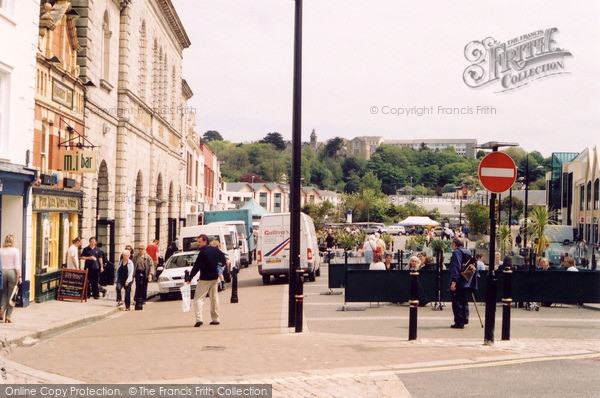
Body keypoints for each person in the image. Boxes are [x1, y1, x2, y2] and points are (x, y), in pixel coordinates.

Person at [186, 234, 225, 327]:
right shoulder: (215, 249)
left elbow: (196, 266)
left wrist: (190, 277)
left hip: (204, 279)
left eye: (199, 242)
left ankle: (199, 319)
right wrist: (217, 265)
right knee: (214, 299)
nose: (198, 243)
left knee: (198, 299)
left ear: (205, 241)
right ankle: (215, 319)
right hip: (214, 278)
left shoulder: (202, 252)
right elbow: (223, 260)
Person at [448, 237, 477, 329]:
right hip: (467, 280)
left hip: (459, 281)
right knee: (464, 300)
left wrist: (454, 281)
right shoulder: (468, 252)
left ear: (455, 244)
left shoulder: (457, 252)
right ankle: (465, 318)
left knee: (457, 302)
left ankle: (459, 322)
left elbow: (456, 267)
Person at [0, 235, 21, 323]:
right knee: (11, 295)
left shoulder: (1, 250)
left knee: (4, 292)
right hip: (12, 272)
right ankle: (8, 316)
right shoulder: (15, 251)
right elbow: (16, 265)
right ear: (13, 241)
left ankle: (1, 309)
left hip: (2, 272)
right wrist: (20, 276)